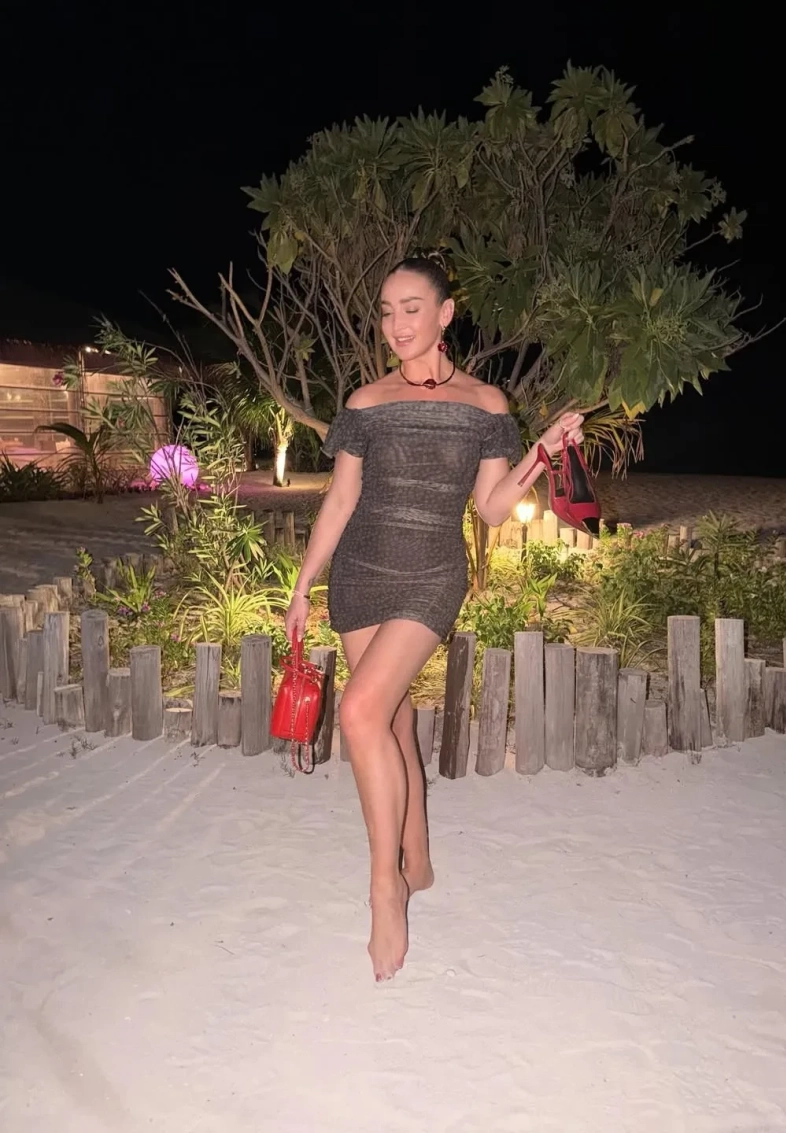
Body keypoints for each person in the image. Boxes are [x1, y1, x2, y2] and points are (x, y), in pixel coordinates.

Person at [285, 257, 584, 982]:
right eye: (387, 311)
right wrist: (303, 584)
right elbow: (341, 500)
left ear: (446, 314)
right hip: (361, 569)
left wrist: (541, 452)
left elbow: (491, 508)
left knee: (359, 711)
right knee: (389, 722)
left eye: (412, 308)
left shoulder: (486, 404)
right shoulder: (365, 401)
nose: (397, 325)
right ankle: (416, 860)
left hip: (431, 574)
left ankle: (384, 887)